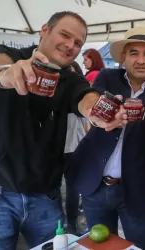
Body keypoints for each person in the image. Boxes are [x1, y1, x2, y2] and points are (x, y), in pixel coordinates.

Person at [0, 11, 126, 250]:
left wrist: (97, 112)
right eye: (65, 35)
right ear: (45, 31)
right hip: (1, 192)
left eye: (78, 43)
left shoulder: (69, 80)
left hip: (47, 196)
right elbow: (1, 63)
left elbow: (86, 97)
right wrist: (6, 75)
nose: (70, 46)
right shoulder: (13, 57)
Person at [65, 27, 145, 250]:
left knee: (140, 245)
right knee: (99, 245)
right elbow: (91, 103)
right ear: (123, 58)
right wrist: (100, 113)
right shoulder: (107, 78)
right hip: (95, 184)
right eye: (134, 53)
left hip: (135, 189)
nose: (141, 60)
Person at [64, 61, 88, 235]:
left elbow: (87, 123)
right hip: (55, 149)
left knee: (73, 189)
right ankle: (64, 224)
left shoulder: (81, 95)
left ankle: (72, 223)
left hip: (75, 147)